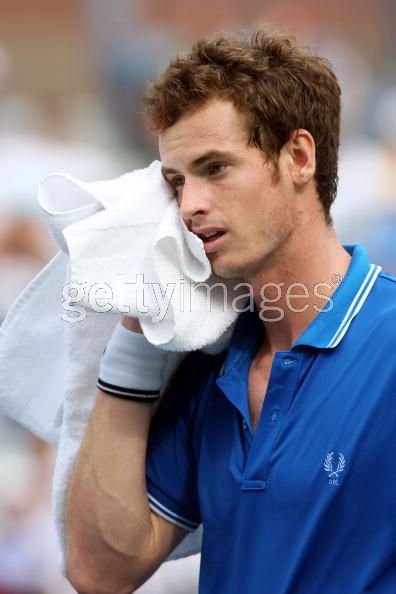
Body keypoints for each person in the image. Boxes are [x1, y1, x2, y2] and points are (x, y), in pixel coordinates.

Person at [64, 27, 396, 594]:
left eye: (215, 168)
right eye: (175, 181)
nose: (189, 205)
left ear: (297, 157)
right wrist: (136, 335)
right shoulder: (207, 362)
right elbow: (102, 572)